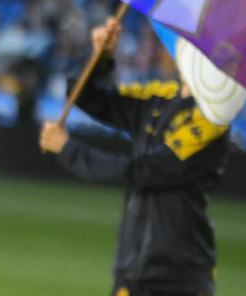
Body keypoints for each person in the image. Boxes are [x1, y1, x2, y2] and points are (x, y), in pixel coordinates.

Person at [39, 16, 230, 296]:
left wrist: (69, 150)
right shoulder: (160, 97)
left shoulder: (212, 120)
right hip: (133, 270)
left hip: (179, 277)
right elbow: (87, 96)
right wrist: (101, 57)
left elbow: (144, 173)